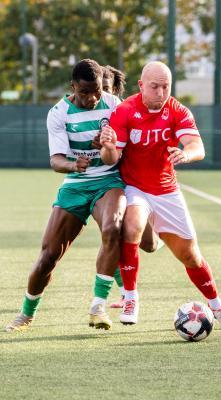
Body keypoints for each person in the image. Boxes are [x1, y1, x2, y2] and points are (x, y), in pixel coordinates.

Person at [100, 61, 221, 330]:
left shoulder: (177, 110)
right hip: (134, 186)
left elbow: (196, 145)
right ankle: (130, 298)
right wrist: (107, 147)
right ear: (141, 86)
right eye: (155, 86)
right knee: (131, 226)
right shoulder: (125, 111)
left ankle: (218, 307)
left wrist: (186, 154)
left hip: (167, 190)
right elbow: (111, 157)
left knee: (190, 256)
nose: (161, 92)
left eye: (166, 86)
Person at [6, 59, 126, 332]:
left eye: (96, 90)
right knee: (49, 255)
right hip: (75, 184)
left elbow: (123, 151)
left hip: (108, 181)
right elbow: (57, 160)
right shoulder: (58, 112)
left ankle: (98, 307)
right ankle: (26, 314)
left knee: (112, 227)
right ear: (73, 86)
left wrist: (108, 146)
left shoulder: (115, 106)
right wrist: (74, 164)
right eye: (85, 92)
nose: (92, 97)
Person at [101, 64, 163, 308]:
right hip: (109, 185)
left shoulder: (126, 111)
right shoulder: (92, 111)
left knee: (148, 245)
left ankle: (160, 232)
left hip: (133, 183)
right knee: (112, 235)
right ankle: (126, 293)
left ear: (115, 90)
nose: (101, 93)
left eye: (106, 88)